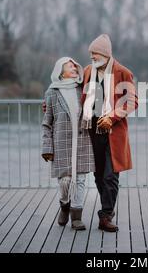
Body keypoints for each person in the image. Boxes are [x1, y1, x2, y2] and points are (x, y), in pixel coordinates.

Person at [80, 33, 138, 232]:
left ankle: (105, 215)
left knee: (110, 176)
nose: (92, 58)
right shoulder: (88, 71)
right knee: (97, 175)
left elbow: (132, 102)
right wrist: (49, 103)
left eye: (95, 54)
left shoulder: (123, 73)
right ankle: (107, 210)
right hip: (92, 130)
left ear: (105, 54)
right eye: (91, 55)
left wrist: (112, 117)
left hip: (114, 132)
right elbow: (71, 90)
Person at [41, 57, 95, 230]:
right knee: (64, 181)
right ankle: (64, 204)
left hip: (82, 141)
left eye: (74, 66)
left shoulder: (82, 89)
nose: (73, 67)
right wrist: (47, 147)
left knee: (80, 180)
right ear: (60, 71)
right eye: (69, 66)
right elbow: (47, 122)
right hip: (62, 143)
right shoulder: (51, 93)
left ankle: (76, 216)